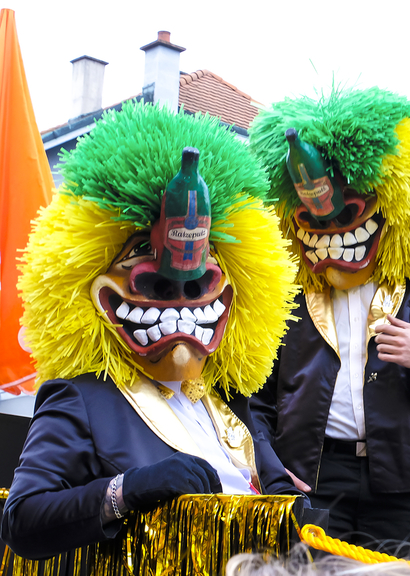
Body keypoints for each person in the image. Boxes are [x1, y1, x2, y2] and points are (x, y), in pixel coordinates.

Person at [1, 102, 304, 561]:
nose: (181, 289)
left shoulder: (226, 398)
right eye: (141, 251)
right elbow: (21, 520)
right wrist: (126, 491)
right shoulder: (82, 399)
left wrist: (284, 501)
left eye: (203, 269)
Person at [247, 87, 410, 575]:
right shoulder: (288, 293)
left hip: (404, 482)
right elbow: (257, 399)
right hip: (314, 479)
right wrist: (269, 462)